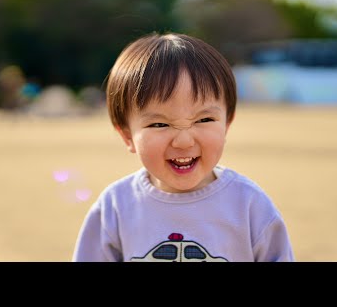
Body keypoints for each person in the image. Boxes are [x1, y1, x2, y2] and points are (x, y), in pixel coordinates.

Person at [73, 33, 294, 262]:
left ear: (226, 124)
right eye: (159, 124)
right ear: (127, 136)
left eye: (204, 120)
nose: (184, 141)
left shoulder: (249, 205)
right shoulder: (116, 206)